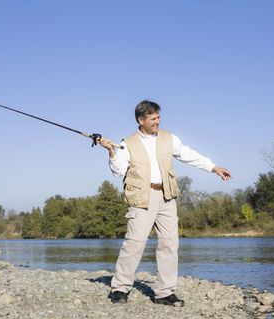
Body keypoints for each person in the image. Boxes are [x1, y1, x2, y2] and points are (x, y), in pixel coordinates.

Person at [98, 100, 231, 306]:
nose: (157, 121)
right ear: (141, 120)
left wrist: (213, 167)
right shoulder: (127, 143)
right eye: (153, 118)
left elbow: (188, 155)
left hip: (167, 197)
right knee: (134, 243)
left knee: (170, 244)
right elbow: (117, 171)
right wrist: (112, 152)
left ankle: (164, 292)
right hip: (142, 198)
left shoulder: (170, 138)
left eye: (158, 117)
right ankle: (120, 288)